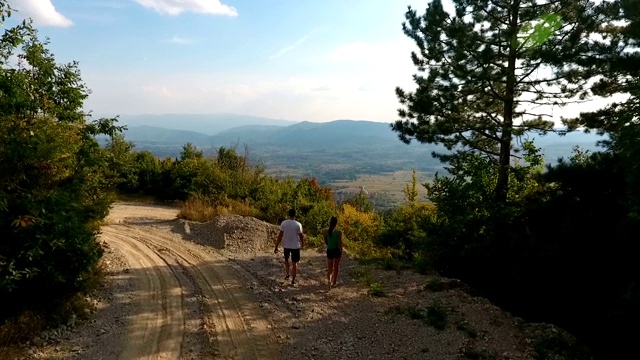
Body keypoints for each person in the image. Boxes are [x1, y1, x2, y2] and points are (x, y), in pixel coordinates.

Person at [274, 209, 304, 286]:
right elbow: (301, 236)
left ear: (288, 214)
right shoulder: (298, 224)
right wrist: (303, 244)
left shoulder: (284, 223)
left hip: (286, 245)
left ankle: (287, 273)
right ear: (295, 215)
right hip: (295, 246)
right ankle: (293, 280)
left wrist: (276, 246)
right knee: (295, 263)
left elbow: (280, 235)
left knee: (286, 260)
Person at [323, 216, 343, 289]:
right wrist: (341, 251)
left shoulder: (325, 231)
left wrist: (329, 245)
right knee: (336, 266)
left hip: (330, 250)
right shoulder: (339, 232)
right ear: (336, 223)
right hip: (336, 250)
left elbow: (326, 241)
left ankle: (329, 280)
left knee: (329, 267)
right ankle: (334, 281)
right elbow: (339, 243)